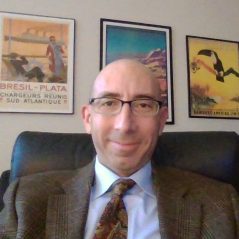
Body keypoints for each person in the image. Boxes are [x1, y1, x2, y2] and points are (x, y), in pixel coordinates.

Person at [0, 59, 238, 239]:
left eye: (143, 104)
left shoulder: (221, 204)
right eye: (109, 103)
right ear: (88, 118)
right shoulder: (25, 199)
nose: (125, 125)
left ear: (161, 120)